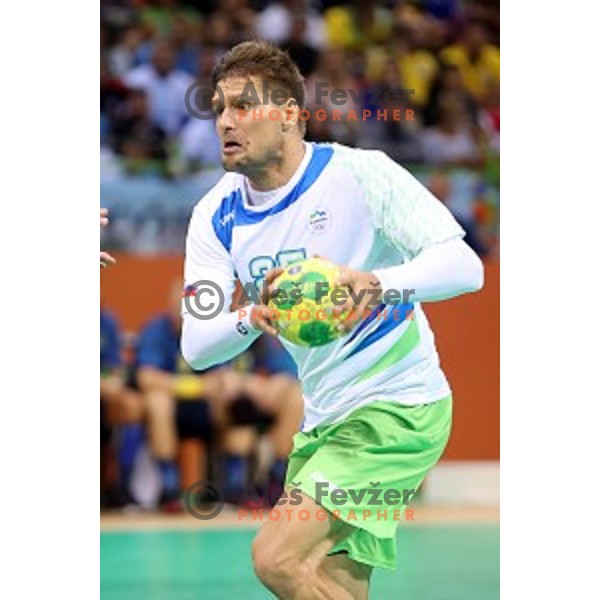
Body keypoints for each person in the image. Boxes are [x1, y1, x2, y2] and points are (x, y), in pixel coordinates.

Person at [181, 41, 483, 599]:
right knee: (328, 580)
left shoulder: (360, 175)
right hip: (325, 421)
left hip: (399, 410)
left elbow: (465, 266)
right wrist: (254, 314)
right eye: (219, 107)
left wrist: (377, 282)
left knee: (276, 557)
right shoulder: (214, 217)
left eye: (244, 106)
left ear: (291, 116)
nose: (225, 120)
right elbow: (198, 344)